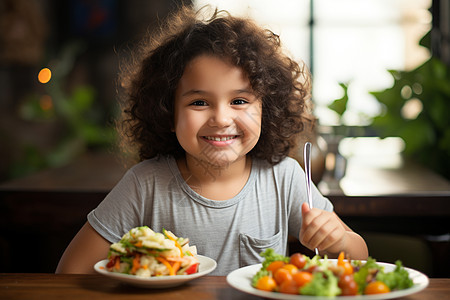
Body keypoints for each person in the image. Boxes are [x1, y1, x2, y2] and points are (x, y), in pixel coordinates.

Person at [56, 5, 368, 276]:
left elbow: (358, 258)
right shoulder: (145, 184)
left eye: (240, 101)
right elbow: (70, 271)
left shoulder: (283, 178)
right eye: (199, 103)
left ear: (267, 108)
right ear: (167, 111)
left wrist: (338, 239)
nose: (220, 118)